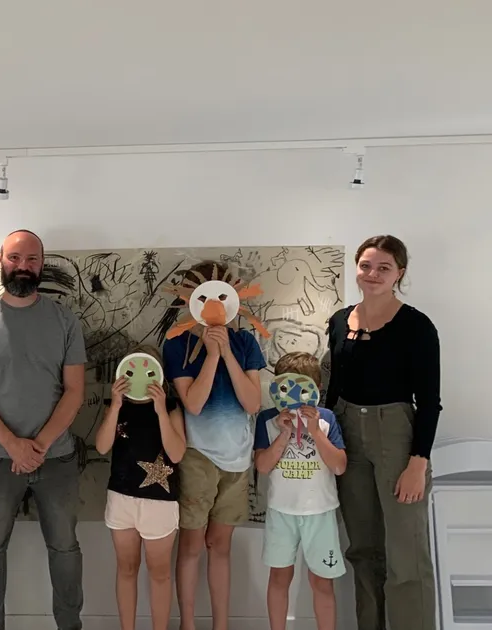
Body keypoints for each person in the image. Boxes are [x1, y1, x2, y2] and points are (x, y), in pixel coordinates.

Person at [0, 229, 87, 630]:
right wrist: (13, 445)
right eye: (15, 258)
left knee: (65, 548)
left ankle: (70, 625)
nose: (23, 266)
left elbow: (76, 391)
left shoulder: (66, 321)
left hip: (58, 456)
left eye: (31, 259)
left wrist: (40, 445)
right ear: (1, 259)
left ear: (41, 264)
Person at [324, 235, 440, 630]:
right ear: (356, 268)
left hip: (396, 435)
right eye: (366, 265)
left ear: (399, 274)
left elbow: (428, 401)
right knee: (363, 549)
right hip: (346, 433)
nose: (372, 274)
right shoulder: (340, 321)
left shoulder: (416, 326)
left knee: (405, 553)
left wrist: (417, 464)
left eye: (383, 268)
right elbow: (332, 389)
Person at [160, 260, 266, 630]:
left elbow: (253, 403)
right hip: (196, 458)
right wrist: (212, 355)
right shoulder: (177, 343)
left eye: (222, 295)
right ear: (190, 300)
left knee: (220, 546)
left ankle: (221, 624)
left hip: (237, 460)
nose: (214, 304)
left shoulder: (245, 341)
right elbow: (193, 403)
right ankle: (187, 623)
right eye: (204, 295)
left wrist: (228, 354)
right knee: (190, 546)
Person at [93, 344, 186, 630]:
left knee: (159, 573)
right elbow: (102, 446)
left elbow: (177, 453)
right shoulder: (115, 407)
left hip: (159, 501)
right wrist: (117, 404)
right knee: (127, 568)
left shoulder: (170, 408)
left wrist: (160, 410)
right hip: (121, 498)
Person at [253, 352, 347, 630]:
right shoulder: (267, 420)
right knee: (279, 577)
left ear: (316, 390)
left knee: (322, 581)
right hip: (282, 512)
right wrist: (283, 433)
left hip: (320, 512)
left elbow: (340, 466)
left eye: (303, 388)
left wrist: (315, 431)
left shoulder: (327, 418)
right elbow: (262, 466)